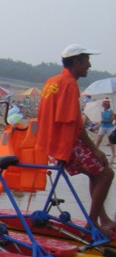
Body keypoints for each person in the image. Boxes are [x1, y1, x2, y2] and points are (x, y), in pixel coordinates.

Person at [37, 44, 115, 235]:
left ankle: (102, 218)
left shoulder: (52, 81)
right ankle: (92, 224)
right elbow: (73, 123)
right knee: (106, 174)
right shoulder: (69, 83)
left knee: (96, 173)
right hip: (64, 144)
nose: (89, 65)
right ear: (76, 62)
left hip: (51, 142)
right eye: (86, 61)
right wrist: (94, 149)